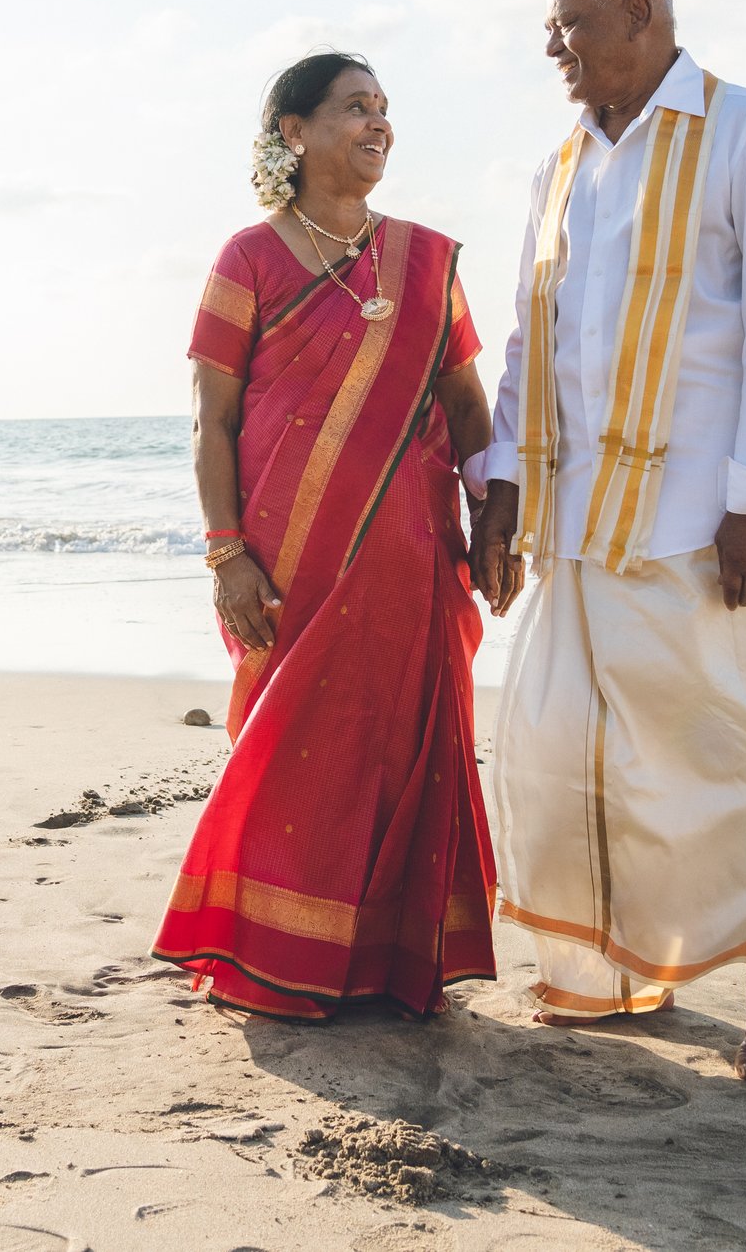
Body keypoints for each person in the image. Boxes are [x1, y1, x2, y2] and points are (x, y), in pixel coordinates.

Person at [469, 0, 746, 1083]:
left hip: (691, 516)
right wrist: (504, 485)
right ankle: (606, 971)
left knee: (727, 750)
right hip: (573, 519)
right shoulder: (561, 164)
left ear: (638, 10)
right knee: (561, 747)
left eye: (565, 24)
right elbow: (533, 337)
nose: (551, 47)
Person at [151, 51, 499, 1020]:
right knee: (295, 747)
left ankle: (389, 960)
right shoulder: (247, 258)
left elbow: (468, 406)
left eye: (385, 108)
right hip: (288, 559)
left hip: (414, 560)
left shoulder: (428, 259)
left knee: (407, 747)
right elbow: (210, 420)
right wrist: (225, 552)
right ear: (293, 131)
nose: (377, 123)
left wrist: (495, 517)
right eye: (354, 107)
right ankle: (273, 950)